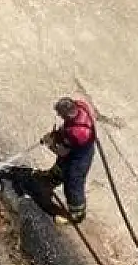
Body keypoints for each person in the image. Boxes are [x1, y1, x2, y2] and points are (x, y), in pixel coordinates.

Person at [40, 96, 97, 225]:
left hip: (79, 157)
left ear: (68, 114)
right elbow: (65, 130)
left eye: (60, 114)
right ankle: (51, 179)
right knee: (61, 164)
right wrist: (56, 135)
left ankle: (76, 215)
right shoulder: (81, 105)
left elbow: (63, 152)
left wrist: (50, 144)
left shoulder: (78, 133)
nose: (58, 116)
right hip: (73, 143)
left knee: (72, 183)